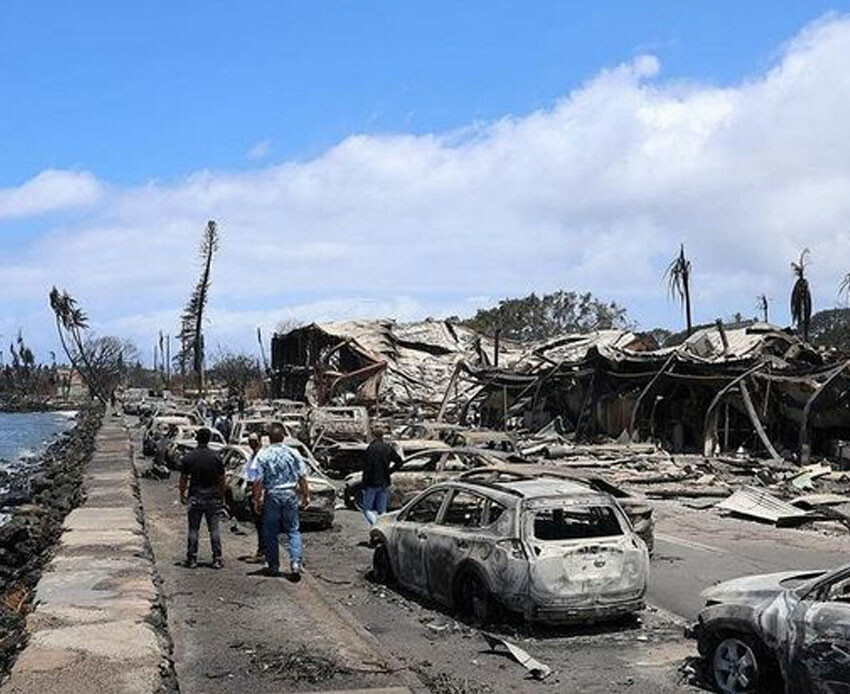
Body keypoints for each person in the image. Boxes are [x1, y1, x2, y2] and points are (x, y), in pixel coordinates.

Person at [252, 423, 310, 578]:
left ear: (269, 439)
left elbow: (257, 480)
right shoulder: (293, 453)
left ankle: (274, 565)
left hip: (272, 495)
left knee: (271, 532)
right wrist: (306, 495)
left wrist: (256, 499)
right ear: (284, 437)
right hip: (290, 494)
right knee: (293, 530)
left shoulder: (263, 455)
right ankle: (296, 562)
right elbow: (302, 477)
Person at [179, 427, 225, 569]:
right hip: (213, 497)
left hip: (195, 497)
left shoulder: (189, 457)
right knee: (214, 530)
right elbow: (222, 479)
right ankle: (217, 558)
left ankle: (192, 558)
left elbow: (183, 479)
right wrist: (222, 497)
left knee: (194, 529)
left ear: (196, 439)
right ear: (209, 439)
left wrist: (182, 494)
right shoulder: (216, 457)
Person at [361, 425, 402, 525]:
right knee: (382, 511)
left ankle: (376, 526)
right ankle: (383, 527)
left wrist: (364, 484)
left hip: (372, 483)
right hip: (384, 482)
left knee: (367, 509)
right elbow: (399, 462)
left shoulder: (371, 449)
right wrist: (389, 471)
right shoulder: (387, 448)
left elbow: (367, 468)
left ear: (373, 436)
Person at [242, 433, 266, 562]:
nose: (252, 443)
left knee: (261, 523)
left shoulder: (261, 456)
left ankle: (262, 552)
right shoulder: (253, 455)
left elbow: (259, 478)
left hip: (257, 492)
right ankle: (261, 550)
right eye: (250, 441)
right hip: (252, 490)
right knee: (258, 524)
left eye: (254, 441)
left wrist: (257, 497)